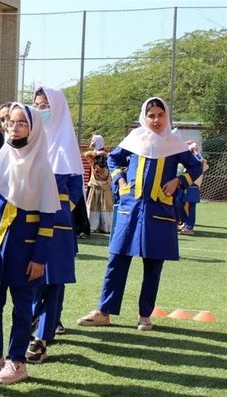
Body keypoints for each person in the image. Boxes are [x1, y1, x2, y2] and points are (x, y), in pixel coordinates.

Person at [77, 97, 203, 331]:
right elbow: (113, 159)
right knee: (117, 260)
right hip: (129, 210)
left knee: (153, 266)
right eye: (151, 115)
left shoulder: (174, 144)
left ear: (167, 117)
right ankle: (103, 311)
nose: (155, 120)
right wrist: (121, 182)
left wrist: (179, 180)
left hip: (160, 212)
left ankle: (144, 316)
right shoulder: (134, 139)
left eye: (160, 115)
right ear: (144, 117)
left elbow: (197, 166)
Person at [0, 102, 60, 384]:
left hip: (25, 248)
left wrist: (40, 258)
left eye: (22, 123)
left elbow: (47, 219)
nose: (14, 127)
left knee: (22, 308)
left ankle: (17, 361)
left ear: (33, 129)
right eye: (11, 122)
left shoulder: (42, 165)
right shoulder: (1, 158)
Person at [29, 86, 84, 361]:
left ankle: (42, 336)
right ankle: (31, 322)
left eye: (45, 105)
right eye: (37, 105)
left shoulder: (67, 144)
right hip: (28, 221)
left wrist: (60, 209)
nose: (41, 111)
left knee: (53, 281)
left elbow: (75, 187)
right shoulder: (29, 139)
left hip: (58, 226)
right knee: (31, 277)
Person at [177, 142, 208, 235]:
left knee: (191, 207)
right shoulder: (185, 158)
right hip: (183, 185)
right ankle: (185, 222)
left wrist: (196, 152)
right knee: (178, 204)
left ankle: (189, 227)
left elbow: (202, 164)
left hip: (193, 186)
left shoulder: (199, 158)